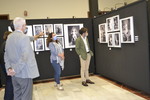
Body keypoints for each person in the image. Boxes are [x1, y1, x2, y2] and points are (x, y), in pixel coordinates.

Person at [4, 17, 40, 100]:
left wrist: (9, 68)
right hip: (24, 73)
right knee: (26, 96)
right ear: (23, 26)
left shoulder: (9, 37)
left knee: (17, 95)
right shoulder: (24, 37)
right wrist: (15, 69)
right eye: (25, 25)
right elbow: (25, 57)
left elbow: (6, 55)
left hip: (14, 75)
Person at [0, 31, 14, 100]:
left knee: (9, 82)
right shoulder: (7, 44)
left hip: (4, 66)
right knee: (10, 83)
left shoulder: (3, 44)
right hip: (8, 67)